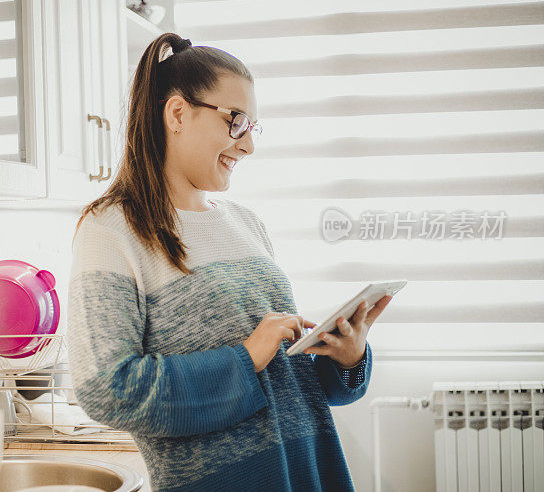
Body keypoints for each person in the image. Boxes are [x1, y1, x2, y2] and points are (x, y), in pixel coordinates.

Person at [66, 32, 393, 491]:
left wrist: (345, 357)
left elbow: (284, 380)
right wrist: (244, 358)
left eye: (252, 127)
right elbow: (107, 388)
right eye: (235, 121)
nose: (247, 146)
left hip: (310, 473)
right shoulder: (110, 231)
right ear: (177, 113)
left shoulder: (247, 224)